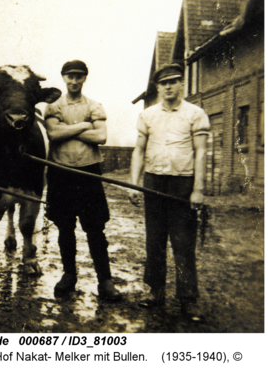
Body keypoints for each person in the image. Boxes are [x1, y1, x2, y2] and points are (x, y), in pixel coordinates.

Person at [128, 63, 210, 320]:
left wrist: (198, 190)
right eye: (164, 83)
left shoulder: (195, 114)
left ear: (181, 84)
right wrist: (134, 181)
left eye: (173, 82)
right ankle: (155, 291)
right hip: (154, 182)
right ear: (158, 87)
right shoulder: (148, 115)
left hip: (182, 184)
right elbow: (139, 150)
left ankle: (188, 299)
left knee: (183, 243)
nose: (168, 87)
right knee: (154, 240)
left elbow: (200, 153)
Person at [43, 60, 122, 301]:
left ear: (85, 78)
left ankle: (105, 281)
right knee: (65, 227)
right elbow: (53, 133)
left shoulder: (94, 106)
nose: (74, 81)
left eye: (79, 76)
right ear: (63, 78)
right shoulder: (54, 106)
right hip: (61, 173)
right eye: (70, 76)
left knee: (95, 228)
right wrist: (84, 125)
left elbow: (101, 136)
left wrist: (71, 128)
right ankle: (69, 275)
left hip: (88, 173)